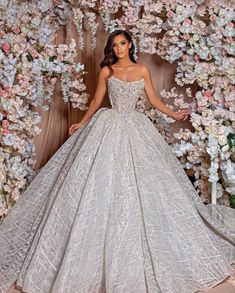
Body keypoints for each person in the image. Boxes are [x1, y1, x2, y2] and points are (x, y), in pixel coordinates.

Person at [0, 30, 234, 293]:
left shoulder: (143, 69)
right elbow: (96, 101)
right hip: (107, 126)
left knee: (146, 185)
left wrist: (174, 112)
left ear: (131, 44)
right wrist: (82, 122)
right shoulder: (107, 72)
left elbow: (154, 100)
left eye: (123, 43)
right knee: (98, 184)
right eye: (115, 45)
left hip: (136, 128)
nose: (119, 48)